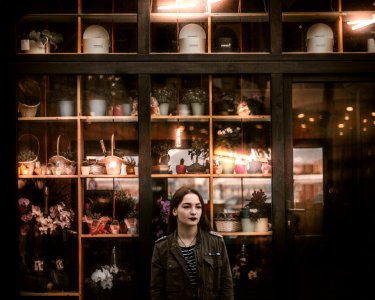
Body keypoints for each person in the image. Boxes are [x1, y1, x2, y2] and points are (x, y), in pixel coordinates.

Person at [150, 186, 234, 300]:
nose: (194, 212)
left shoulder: (216, 243)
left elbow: (227, 287)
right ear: (174, 211)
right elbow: (157, 292)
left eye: (198, 207)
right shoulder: (162, 247)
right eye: (187, 206)